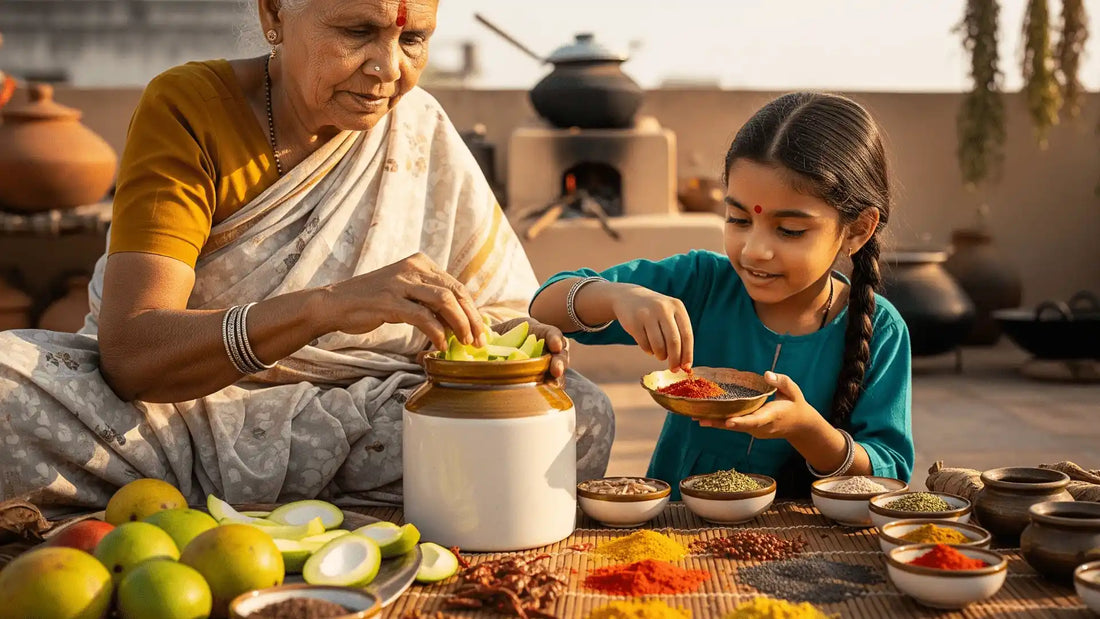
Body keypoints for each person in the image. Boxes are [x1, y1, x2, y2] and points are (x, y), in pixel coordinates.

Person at [0, 0, 614, 512]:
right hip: (167, 420)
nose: (387, 69)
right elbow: (134, 355)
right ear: (275, 14)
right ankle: (358, 516)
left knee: (574, 412)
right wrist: (326, 307)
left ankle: (220, 514)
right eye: (357, 32)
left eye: (413, 39)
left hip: (350, 421)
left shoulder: (419, 125)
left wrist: (517, 345)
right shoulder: (190, 106)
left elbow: (495, 311)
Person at [530, 92, 913, 498]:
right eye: (738, 219)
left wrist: (808, 430)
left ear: (856, 230)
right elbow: (546, 305)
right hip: (674, 530)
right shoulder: (702, 282)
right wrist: (615, 296)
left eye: (790, 231)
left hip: (794, 541)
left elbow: (888, 471)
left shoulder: (881, 329)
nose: (754, 250)